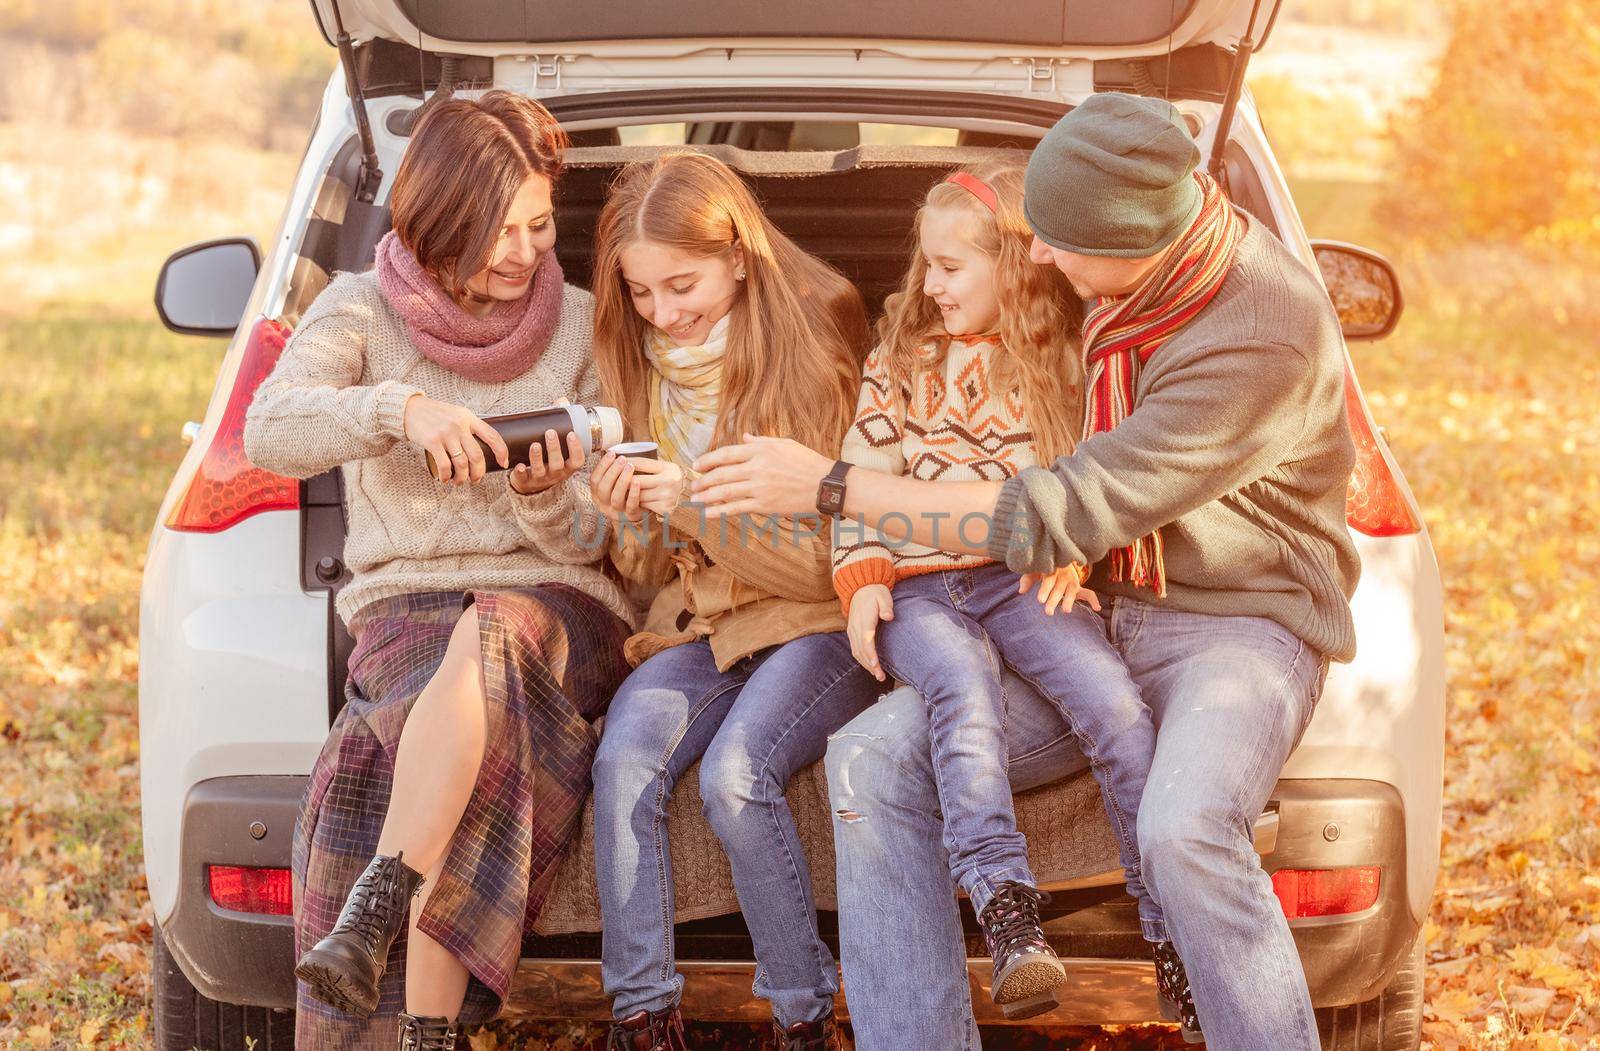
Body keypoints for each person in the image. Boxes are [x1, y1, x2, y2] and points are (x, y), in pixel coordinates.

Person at [690, 92, 1361, 1050]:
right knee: (871, 761)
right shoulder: (1124, 287)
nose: (1035, 257)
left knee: (1184, 829)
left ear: (1128, 240)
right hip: (1086, 602)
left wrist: (835, 487)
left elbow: (1051, 508)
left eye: (1054, 240)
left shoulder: (1260, 333)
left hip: (1234, 625)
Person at [244, 91, 635, 1050]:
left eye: (539, 223)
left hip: (559, 605)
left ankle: (378, 900)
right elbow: (270, 429)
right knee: (449, 723)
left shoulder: (584, 328)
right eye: (494, 229)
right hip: (410, 610)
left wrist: (543, 494)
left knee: (494, 631)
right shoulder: (358, 311)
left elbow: (597, 541)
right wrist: (398, 411)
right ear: (436, 221)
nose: (523, 249)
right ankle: (428, 1033)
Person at [832, 160, 1168, 1020]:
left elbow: (1094, 479)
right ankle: (1009, 914)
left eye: (951, 267)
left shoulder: (1066, 359)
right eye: (927, 267)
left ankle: (1169, 929)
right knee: (963, 692)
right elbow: (856, 480)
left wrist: (1076, 551)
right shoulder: (900, 360)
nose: (930, 285)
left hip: (1018, 577)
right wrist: (864, 576)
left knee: (1117, 707)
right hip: (920, 588)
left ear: (1013, 266)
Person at [584, 152, 880, 1051]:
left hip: (816, 620)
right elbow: (647, 572)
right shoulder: (640, 362)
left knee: (733, 773)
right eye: (641, 293)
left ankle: (802, 1016)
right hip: (704, 622)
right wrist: (624, 513)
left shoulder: (817, 337)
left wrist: (696, 506)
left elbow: (835, 559)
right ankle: (641, 1015)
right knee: (624, 756)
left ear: (740, 258)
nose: (664, 315)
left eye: (683, 285)